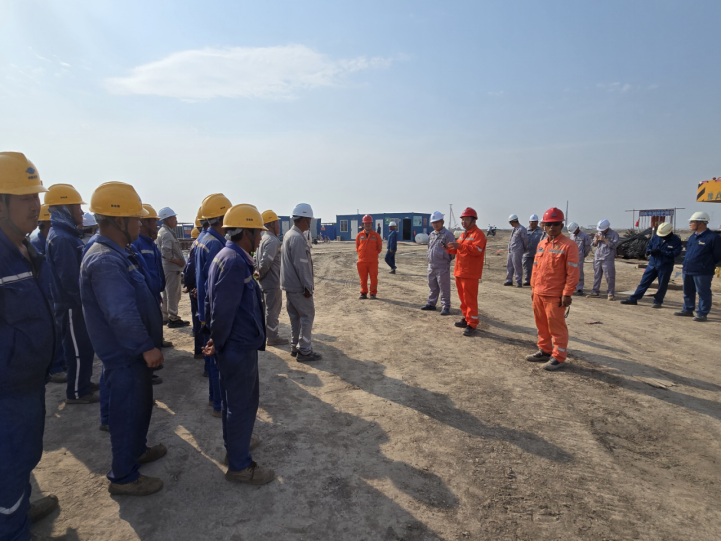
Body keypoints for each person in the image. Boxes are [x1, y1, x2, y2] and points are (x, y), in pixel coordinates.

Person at [80, 181, 166, 496]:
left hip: (132, 355)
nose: (140, 224)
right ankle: (124, 477)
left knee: (139, 407)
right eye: (135, 219)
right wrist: (145, 347)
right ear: (119, 220)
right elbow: (120, 313)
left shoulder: (118, 253)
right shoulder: (105, 260)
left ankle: (137, 450)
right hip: (126, 355)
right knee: (127, 411)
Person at [0, 152, 60, 541]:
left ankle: (20, 507)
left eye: (35, 196)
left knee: (23, 460)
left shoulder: (26, 250)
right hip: (7, 392)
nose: (35, 205)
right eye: (24, 198)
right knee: (7, 472)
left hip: (28, 384)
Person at [204, 204, 275, 485]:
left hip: (233, 344)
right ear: (246, 232)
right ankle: (240, 466)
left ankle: (234, 447)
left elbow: (213, 303)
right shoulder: (234, 261)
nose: (260, 237)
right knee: (241, 405)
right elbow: (223, 311)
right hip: (237, 347)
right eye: (257, 232)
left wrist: (216, 339)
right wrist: (218, 340)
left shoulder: (227, 256)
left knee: (234, 403)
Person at [45, 183, 98, 404]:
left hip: (74, 304)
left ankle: (82, 382)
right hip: (71, 306)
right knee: (77, 349)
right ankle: (77, 393)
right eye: (77, 208)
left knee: (83, 347)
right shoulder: (62, 238)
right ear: (65, 209)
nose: (81, 212)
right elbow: (69, 278)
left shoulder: (67, 235)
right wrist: (85, 302)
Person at [526, 208, 579, 371]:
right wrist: (533, 288)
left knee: (556, 327)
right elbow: (536, 268)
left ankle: (559, 356)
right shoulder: (541, 244)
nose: (552, 227)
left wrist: (567, 293)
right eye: (548, 224)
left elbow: (573, 272)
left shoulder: (569, 245)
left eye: (556, 224)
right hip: (539, 293)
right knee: (541, 325)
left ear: (562, 225)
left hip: (555, 295)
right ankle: (545, 350)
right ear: (543, 225)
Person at [196, 194, 232, 417]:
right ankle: (219, 404)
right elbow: (216, 286)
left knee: (212, 359)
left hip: (204, 309)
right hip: (212, 312)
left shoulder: (204, 239)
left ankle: (213, 398)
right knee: (218, 360)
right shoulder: (215, 244)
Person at [281, 203, 322, 362]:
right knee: (307, 315)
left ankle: (294, 346)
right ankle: (304, 350)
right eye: (309, 219)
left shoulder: (289, 235)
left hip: (289, 285)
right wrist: (307, 286)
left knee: (295, 317)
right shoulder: (298, 238)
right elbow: (302, 265)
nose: (310, 222)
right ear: (304, 219)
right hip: (298, 287)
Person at [621, 222, 683, 308]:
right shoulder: (656, 237)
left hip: (665, 266)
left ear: (669, 232)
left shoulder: (676, 240)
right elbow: (649, 246)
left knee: (662, 284)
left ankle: (658, 301)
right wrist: (649, 251)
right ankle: (633, 299)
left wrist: (661, 252)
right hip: (652, 264)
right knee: (644, 282)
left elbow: (676, 253)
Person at [446, 207, 486, 336]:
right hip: (460, 272)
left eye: (466, 219)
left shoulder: (478, 234)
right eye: (462, 220)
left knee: (470, 299)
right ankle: (466, 318)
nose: (463, 222)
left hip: (470, 273)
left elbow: (477, 250)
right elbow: (457, 250)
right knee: (463, 299)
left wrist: (460, 246)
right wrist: (448, 248)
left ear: (474, 220)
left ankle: (472, 324)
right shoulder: (463, 234)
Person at [675, 212, 721, 322]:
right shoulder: (692, 237)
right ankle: (688, 309)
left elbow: (718, 255)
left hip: (702, 271)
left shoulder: (713, 237)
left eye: (692, 222)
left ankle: (702, 313)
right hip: (688, 269)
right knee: (688, 291)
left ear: (701, 223)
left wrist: (708, 264)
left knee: (703, 292)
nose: (690, 224)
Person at [255, 210, 288, 347]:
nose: (279, 226)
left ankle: (265, 334)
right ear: (271, 224)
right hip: (272, 281)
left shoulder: (262, 238)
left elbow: (255, 258)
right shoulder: (272, 241)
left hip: (263, 282)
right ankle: (273, 337)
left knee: (265, 310)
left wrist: (257, 273)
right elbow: (266, 261)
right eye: (277, 223)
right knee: (272, 311)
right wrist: (261, 273)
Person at [156, 207, 189, 328]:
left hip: (167, 268)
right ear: (167, 219)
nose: (176, 220)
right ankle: (173, 318)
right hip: (171, 268)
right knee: (173, 294)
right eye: (174, 218)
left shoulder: (164, 232)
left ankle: (165, 316)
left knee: (167, 293)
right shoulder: (166, 234)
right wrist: (178, 262)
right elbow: (166, 253)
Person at [421, 211, 456, 315]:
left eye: (437, 222)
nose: (435, 224)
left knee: (444, 287)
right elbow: (429, 248)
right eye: (433, 222)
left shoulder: (448, 235)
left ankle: (446, 306)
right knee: (432, 286)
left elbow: (452, 252)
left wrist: (445, 260)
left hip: (442, 265)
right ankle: (431, 303)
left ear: (442, 222)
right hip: (431, 265)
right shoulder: (431, 235)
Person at [183, 221, 204, 360]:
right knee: (201, 320)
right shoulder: (205, 243)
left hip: (195, 286)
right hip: (198, 287)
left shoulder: (197, 243)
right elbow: (191, 267)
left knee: (197, 319)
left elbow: (189, 267)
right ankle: (201, 350)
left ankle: (199, 350)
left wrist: (188, 284)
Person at [588, 219, 620, 300]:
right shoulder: (599, 233)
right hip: (598, 257)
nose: (601, 231)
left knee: (609, 276)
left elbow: (615, 245)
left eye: (603, 230)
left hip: (607, 258)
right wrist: (596, 239)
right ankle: (595, 291)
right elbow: (593, 245)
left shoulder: (614, 234)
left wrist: (605, 240)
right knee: (597, 275)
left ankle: (610, 293)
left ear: (607, 227)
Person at [356, 214, 383, 300]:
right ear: (363, 224)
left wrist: (373, 254)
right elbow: (357, 247)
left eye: (369, 223)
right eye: (366, 223)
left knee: (373, 278)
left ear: (372, 224)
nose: (367, 225)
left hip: (373, 262)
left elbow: (379, 248)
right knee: (363, 278)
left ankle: (373, 293)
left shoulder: (376, 236)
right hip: (362, 261)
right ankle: (363, 293)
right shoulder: (359, 235)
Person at [504, 214, 528, 287]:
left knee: (517, 266)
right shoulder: (514, 229)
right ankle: (509, 280)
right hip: (511, 250)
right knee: (509, 265)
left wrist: (524, 248)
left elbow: (525, 240)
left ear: (513, 221)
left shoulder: (521, 229)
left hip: (517, 251)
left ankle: (519, 281)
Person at [567, 222, 592, 296]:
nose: (573, 232)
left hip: (579, 257)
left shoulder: (585, 236)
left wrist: (582, 255)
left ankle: (579, 289)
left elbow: (587, 248)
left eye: (574, 231)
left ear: (577, 228)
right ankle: (571, 287)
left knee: (579, 272)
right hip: (571, 256)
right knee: (570, 272)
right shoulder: (571, 235)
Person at [522, 214, 545, 286]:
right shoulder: (525, 230)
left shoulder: (541, 231)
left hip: (537, 254)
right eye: (532, 222)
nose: (533, 223)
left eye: (535, 222)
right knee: (527, 268)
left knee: (538, 268)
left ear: (537, 222)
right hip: (527, 253)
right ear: (529, 222)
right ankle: (527, 280)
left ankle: (536, 281)